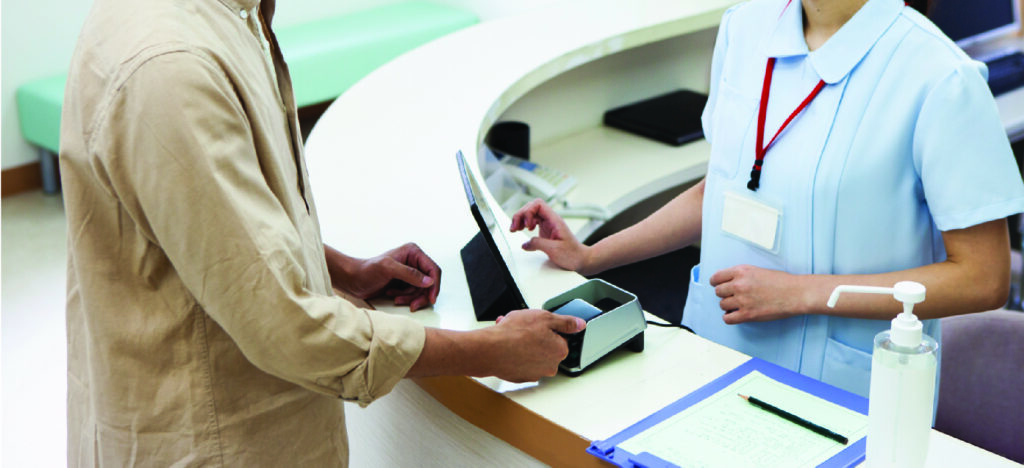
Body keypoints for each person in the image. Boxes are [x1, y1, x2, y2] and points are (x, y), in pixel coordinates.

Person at [59, 0, 585, 465]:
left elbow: (210, 227)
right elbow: (287, 329)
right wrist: (488, 350)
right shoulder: (173, 67)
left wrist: (341, 270)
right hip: (215, 437)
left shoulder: (219, 18)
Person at [511, 0, 1024, 398]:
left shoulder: (939, 76)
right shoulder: (745, 28)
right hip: (714, 349)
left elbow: (983, 278)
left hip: (843, 384)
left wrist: (800, 293)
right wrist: (591, 257)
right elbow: (721, 192)